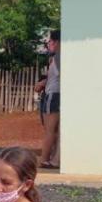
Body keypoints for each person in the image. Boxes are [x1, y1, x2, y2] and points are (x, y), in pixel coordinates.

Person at [37, 30, 61, 169]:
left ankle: (44, 159)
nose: (49, 43)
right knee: (54, 130)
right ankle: (50, 158)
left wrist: (43, 83)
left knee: (50, 130)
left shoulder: (58, 57)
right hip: (54, 94)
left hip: (53, 95)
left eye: (51, 41)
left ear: (56, 42)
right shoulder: (56, 57)